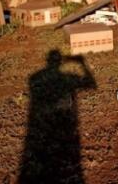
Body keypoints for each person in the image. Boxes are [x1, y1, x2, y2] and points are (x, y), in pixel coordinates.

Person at [20, 50, 96, 183]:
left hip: (43, 123)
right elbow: (91, 84)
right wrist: (82, 63)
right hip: (64, 122)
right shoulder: (68, 77)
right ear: (60, 62)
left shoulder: (35, 77)